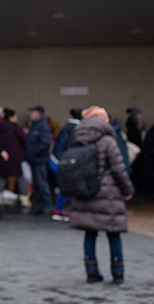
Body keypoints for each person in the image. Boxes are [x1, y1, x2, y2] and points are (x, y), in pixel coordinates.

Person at [67, 106, 134, 283]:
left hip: (85, 191)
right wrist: (128, 190)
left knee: (90, 233)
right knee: (113, 232)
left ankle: (91, 272)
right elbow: (118, 169)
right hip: (108, 193)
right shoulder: (108, 141)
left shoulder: (77, 138)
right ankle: (117, 272)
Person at [52, 108, 83, 222]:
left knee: (64, 188)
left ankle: (58, 211)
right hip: (70, 163)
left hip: (58, 162)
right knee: (75, 188)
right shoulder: (77, 129)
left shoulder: (66, 127)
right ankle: (71, 212)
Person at [0, 107, 27, 208]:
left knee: (2, 177)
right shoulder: (15, 127)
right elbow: (24, 139)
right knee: (20, 177)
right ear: (11, 117)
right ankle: (24, 198)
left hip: (2, 156)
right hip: (15, 156)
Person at [25, 105, 53, 215]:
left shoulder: (43, 126)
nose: (29, 115)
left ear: (37, 114)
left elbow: (45, 144)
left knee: (41, 184)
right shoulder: (35, 125)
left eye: (32, 112)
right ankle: (40, 206)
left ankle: (46, 206)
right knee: (37, 184)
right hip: (34, 160)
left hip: (39, 159)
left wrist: (33, 152)